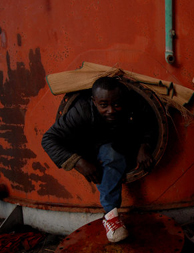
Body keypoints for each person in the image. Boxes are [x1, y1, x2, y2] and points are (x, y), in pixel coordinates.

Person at [42, 76, 155, 242]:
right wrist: (77, 161)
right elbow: (49, 139)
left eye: (117, 104)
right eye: (104, 105)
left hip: (123, 144)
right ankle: (111, 217)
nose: (111, 110)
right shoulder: (81, 111)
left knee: (114, 154)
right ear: (93, 101)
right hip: (93, 149)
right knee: (110, 155)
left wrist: (144, 146)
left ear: (123, 99)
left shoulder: (134, 104)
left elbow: (150, 122)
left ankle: (111, 216)